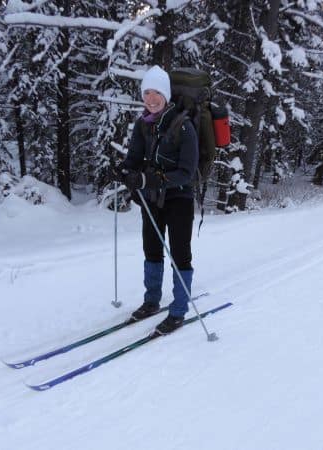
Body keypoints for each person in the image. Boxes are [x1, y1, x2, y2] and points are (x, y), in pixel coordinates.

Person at [114, 65, 199, 335]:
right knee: (151, 249)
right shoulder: (143, 125)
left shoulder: (184, 126)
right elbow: (134, 159)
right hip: (152, 199)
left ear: (166, 95)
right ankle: (151, 301)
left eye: (156, 93)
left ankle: (179, 310)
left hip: (179, 198)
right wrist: (124, 171)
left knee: (179, 254)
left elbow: (186, 172)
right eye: (146, 93)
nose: (151, 99)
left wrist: (151, 179)